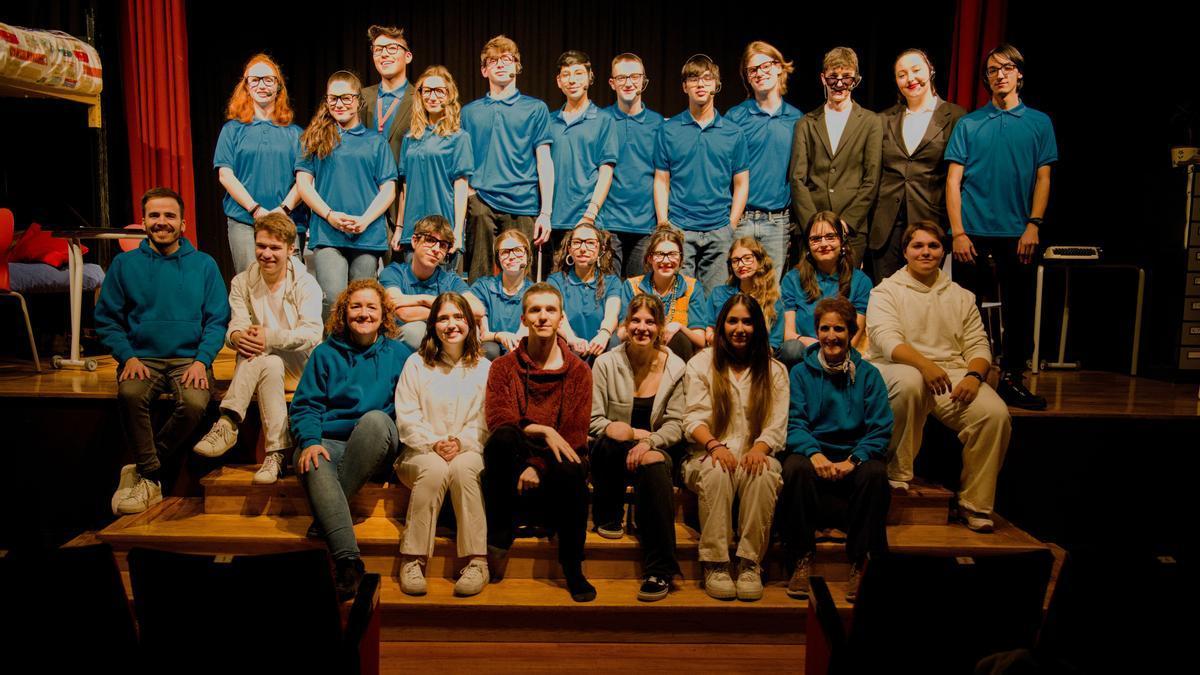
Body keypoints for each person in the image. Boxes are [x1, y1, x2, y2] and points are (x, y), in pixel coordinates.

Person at [866, 221, 1010, 533]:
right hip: (899, 366)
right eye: (918, 246)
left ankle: (974, 504)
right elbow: (886, 340)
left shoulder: (961, 296)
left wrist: (974, 376)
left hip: (953, 374)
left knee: (995, 414)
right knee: (909, 381)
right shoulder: (886, 291)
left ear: (943, 251)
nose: (926, 252)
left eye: (933, 246)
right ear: (905, 252)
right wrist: (925, 365)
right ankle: (898, 473)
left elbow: (978, 344)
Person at [98, 187, 231, 515]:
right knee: (130, 395)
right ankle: (153, 478)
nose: (162, 222)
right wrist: (126, 356)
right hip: (141, 358)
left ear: (183, 223)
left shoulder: (204, 264)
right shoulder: (124, 264)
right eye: (154, 215)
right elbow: (107, 320)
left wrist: (202, 361)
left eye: (169, 215)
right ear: (143, 222)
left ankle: (144, 470)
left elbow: (217, 320)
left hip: (189, 359)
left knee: (195, 402)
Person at [945, 43, 1058, 411]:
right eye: (993, 70)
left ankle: (1012, 377)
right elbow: (952, 182)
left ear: (1019, 73)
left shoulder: (1039, 122)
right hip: (972, 231)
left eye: (1007, 68)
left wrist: (1033, 224)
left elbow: (1043, 178)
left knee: (1019, 307)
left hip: (1018, 230)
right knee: (966, 308)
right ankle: (970, 372)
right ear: (987, 78)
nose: (1000, 74)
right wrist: (958, 232)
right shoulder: (969, 123)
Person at [290, 279, 413, 600]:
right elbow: (306, 405)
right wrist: (310, 440)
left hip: (376, 444)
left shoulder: (399, 353)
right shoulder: (325, 353)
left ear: (383, 313)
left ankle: (325, 515)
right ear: (344, 313)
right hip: (330, 441)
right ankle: (348, 561)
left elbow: (414, 403)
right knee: (311, 456)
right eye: (356, 306)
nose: (363, 313)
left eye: (371, 307)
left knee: (374, 420)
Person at [483, 283, 595, 602]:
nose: (543, 317)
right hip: (514, 461)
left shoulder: (579, 371)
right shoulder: (502, 367)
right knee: (502, 440)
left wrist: (537, 465)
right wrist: (543, 432)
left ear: (561, 318)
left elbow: (573, 435)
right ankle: (500, 535)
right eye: (535, 310)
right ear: (523, 318)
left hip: (558, 463)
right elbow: (499, 419)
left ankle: (572, 566)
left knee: (573, 466)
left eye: (550, 310)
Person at [192, 213, 322, 485]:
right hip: (264, 363)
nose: (266, 254)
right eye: (261, 246)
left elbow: (312, 334)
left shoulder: (305, 283)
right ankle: (275, 453)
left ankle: (228, 420)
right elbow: (236, 324)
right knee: (269, 362)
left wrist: (269, 337)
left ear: (290, 249)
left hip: (301, 366)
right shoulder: (242, 281)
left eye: (274, 247)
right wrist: (238, 336)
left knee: (266, 356)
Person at [779, 296, 892, 604]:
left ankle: (861, 564)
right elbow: (794, 422)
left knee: (876, 472)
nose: (831, 336)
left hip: (853, 456)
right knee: (793, 467)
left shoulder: (869, 374)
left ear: (851, 333)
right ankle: (801, 560)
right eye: (825, 328)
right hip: (814, 454)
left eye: (839, 329)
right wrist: (815, 454)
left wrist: (853, 460)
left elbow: (881, 428)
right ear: (816, 331)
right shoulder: (800, 374)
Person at [683, 294, 787, 602]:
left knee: (764, 473)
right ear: (721, 325)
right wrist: (715, 446)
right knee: (716, 471)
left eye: (747, 321)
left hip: (756, 453)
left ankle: (749, 563)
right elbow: (693, 418)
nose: (739, 328)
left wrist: (760, 449)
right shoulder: (701, 363)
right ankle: (716, 563)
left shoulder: (775, 370)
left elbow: (777, 424)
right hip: (707, 454)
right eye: (732, 321)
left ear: (757, 327)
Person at [590, 295, 687, 602]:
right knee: (610, 440)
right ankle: (609, 514)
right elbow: (592, 419)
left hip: (654, 446)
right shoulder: (606, 362)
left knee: (656, 463)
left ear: (659, 327)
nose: (642, 327)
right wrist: (626, 431)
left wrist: (649, 441)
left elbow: (676, 423)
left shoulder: (677, 367)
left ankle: (660, 569)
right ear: (625, 325)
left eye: (649, 322)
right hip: (613, 449)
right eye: (635, 321)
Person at [394, 292, 491, 597]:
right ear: (433, 324)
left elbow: (486, 420)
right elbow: (406, 415)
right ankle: (412, 559)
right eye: (443, 318)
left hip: (469, 450)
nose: (451, 324)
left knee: (464, 471)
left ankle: (477, 560)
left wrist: (461, 443)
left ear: (469, 323)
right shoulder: (416, 364)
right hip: (420, 452)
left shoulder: (485, 367)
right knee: (434, 470)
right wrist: (434, 443)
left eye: (458, 317)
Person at [296, 70, 397, 320]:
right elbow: (303, 184)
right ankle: (334, 355)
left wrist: (365, 220)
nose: (339, 104)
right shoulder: (315, 138)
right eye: (333, 98)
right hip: (328, 233)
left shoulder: (376, 142)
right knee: (333, 299)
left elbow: (389, 189)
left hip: (367, 234)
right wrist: (329, 216)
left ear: (358, 100)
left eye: (346, 98)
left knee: (363, 304)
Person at [654, 54, 750, 292]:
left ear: (716, 86)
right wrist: (664, 224)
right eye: (694, 78)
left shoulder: (733, 133)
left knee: (715, 302)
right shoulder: (668, 130)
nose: (700, 84)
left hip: (719, 229)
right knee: (678, 300)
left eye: (707, 78)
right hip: (680, 228)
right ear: (684, 86)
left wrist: (731, 225)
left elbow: (741, 183)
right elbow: (661, 180)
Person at [462, 35, 554, 282]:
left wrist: (546, 212)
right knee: (478, 275)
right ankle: (478, 319)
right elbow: (462, 159)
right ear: (484, 70)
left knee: (521, 277)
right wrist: (470, 194)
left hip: (523, 202)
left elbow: (544, 160)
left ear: (517, 66)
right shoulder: (469, 112)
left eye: (507, 58)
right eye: (493, 60)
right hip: (482, 201)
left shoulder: (535, 108)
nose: (501, 64)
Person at [869, 49, 965, 280]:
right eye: (902, 75)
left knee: (925, 298)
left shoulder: (955, 116)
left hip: (929, 220)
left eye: (915, 70)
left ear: (930, 70)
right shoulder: (883, 119)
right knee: (887, 297)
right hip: (887, 225)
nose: (910, 79)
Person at [788, 46, 881, 265]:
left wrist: (847, 221)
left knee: (846, 292)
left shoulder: (870, 122)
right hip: (812, 228)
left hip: (851, 229)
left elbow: (871, 179)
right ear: (823, 79)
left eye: (846, 77)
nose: (839, 84)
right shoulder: (806, 123)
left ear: (856, 80)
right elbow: (797, 178)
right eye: (833, 77)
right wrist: (814, 223)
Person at [214, 53, 304, 273]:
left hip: (287, 221)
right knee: (250, 284)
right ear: (246, 86)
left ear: (278, 86)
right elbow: (225, 175)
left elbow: (304, 180)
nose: (261, 85)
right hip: (244, 221)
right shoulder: (232, 130)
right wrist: (255, 209)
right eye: (254, 80)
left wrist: (282, 210)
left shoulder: (296, 134)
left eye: (268, 79)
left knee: (291, 288)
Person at [727, 41, 802, 277]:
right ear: (747, 78)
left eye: (765, 65)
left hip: (778, 222)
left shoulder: (797, 120)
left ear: (779, 67)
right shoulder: (735, 117)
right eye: (753, 69)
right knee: (737, 293)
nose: (760, 73)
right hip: (741, 220)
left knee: (771, 295)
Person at [393, 66, 473, 271]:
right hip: (413, 230)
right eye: (427, 90)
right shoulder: (410, 138)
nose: (432, 96)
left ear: (449, 95)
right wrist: (400, 228)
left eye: (439, 90)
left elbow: (461, 187)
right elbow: (405, 187)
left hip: (443, 231)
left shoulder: (459, 137)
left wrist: (457, 231)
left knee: (441, 299)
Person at [779, 211, 873, 368]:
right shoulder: (792, 279)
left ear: (842, 241)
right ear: (808, 245)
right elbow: (789, 335)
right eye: (815, 239)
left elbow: (854, 336)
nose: (823, 244)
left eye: (830, 237)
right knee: (791, 349)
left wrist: (830, 349)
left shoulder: (861, 281)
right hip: (803, 354)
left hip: (842, 352)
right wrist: (817, 345)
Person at [599, 53, 664, 276]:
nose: (628, 83)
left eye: (634, 76)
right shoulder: (601, 120)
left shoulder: (659, 124)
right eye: (621, 77)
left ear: (644, 80)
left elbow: (664, 176)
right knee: (607, 293)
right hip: (608, 223)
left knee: (639, 299)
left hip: (645, 225)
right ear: (612, 83)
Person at [548, 50, 618, 257]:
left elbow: (606, 171)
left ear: (590, 77)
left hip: (587, 221)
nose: (572, 80)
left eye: (578, 73)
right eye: (566, 75)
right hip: (553, 220)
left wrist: (591, 213)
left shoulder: (603, 120)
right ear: (559, 81)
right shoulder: (549, 122)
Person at [378, 215, 484, 350]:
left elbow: (477, 310)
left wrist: (423, 300)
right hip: (400, 347)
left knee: (471, 333)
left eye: (443, 245)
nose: (436, 249)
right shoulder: (394, 272)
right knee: (416, 330)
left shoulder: (449, 279)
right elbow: (402, 312)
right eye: (430, 240)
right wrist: (451, 314)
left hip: (442, 341)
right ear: (415, 241)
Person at [619, 225, 709, 361]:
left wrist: (679, 327)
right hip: (640, 354)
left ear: (680, 258)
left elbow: (700, 340)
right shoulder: (632, 286)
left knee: (680, 338)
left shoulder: (692, 287)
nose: (666, 261)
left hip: (677, 356)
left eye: (672, 254)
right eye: (660, 254)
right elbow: (621, 333)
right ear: (650, 258)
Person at [360, 24, 415, 238]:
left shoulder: (422, 99)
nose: (384, 54)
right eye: (378, 49)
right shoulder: (359, 98)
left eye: (392, 48)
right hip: (364, 197)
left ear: (407, 56)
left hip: (404, 201)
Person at [546, 223, 622, 360]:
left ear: (601, 249)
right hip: (567, 346)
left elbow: (612, 314)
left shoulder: (612, 282)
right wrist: (571, 339)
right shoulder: (555, 281)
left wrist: (604, 334)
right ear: (569, 249)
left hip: (599, 348)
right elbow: (556, 315)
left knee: (614, 342)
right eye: (577, 242)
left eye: (590, 243)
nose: (583, 248)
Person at [706, 237, 784, 352]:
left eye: (747, 258)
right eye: (735, 260)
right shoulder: (718, 294)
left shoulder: (773, 300)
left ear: (759, 260)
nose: (741, 265)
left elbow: (773, 344)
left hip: (757, 358)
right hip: (721, 353)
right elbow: (709, 330)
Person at [472, 228, 533, 360]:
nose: (511, 256)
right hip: (492, 352)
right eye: (505, 252)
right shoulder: (483, 287)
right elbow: (484, 335)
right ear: (498, 259)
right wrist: (500, 335)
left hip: (524, 353)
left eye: (517, 250)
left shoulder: (535, 292)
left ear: (527, 255)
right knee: (489, 349)